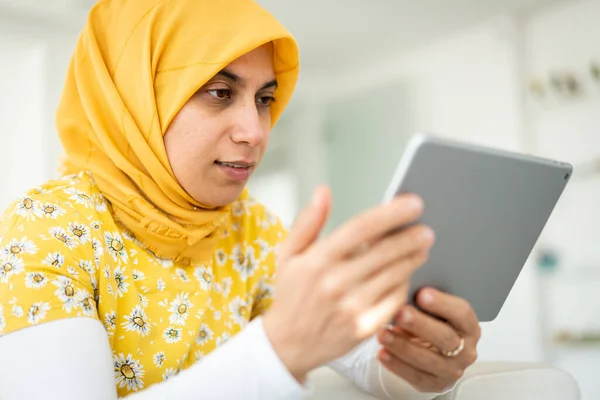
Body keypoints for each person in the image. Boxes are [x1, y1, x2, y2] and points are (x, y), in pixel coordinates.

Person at [0, 0, 482, 399]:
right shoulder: (46, 229)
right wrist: (276, 351)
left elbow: (357, 359)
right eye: (218, 92)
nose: (254, 132)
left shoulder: (250, 228)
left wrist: (413, 361)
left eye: (264, 99)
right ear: (133, 101)